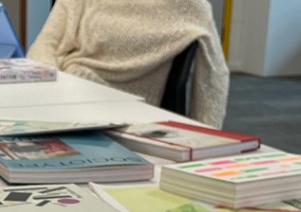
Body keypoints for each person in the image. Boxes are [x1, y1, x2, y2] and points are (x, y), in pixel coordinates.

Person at [26, 0, 229, 128]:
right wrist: (48, 89)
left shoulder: (188, 6)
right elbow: (46, 42)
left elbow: (214, 73)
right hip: (64, 92)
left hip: (126, 114)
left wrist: (208, 137)